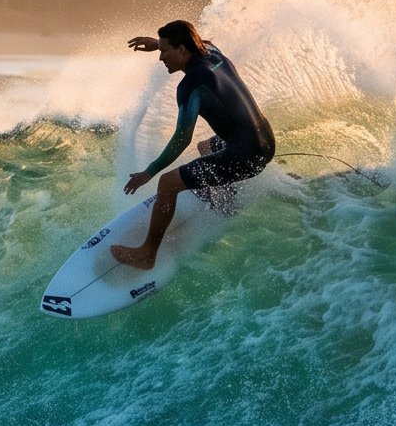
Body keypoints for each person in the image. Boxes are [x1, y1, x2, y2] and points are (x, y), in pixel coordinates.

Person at [111, 19, 275, 270]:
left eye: (165, 51)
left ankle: (147, 254)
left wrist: (149, 172)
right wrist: (157, 44)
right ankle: (226, 202)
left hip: (246, 155)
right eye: (160, 50)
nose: (161, 57)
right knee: (205, 148)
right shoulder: (212, 54)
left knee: (168, 183)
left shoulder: (190, 86)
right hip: (265, 142)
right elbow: (202, 42)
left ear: (182, 49)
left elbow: (181, 138)